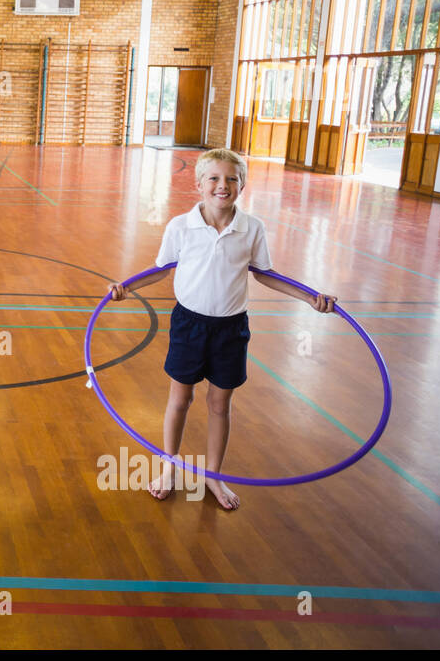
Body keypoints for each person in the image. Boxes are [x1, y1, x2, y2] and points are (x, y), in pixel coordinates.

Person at [106, 149, 335, 510]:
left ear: (242, 185)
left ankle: (214, 474)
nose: (222, 186)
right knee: (180, 399)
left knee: (219, 403)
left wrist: (309, 298)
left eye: (231, 179)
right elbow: (161, 269)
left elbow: (265, 274)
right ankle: (170, 466)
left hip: (231, 329)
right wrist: (125, 289)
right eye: (213, 178)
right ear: (199, 184)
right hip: (189, 324)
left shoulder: (252, 228)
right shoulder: (181, 227)